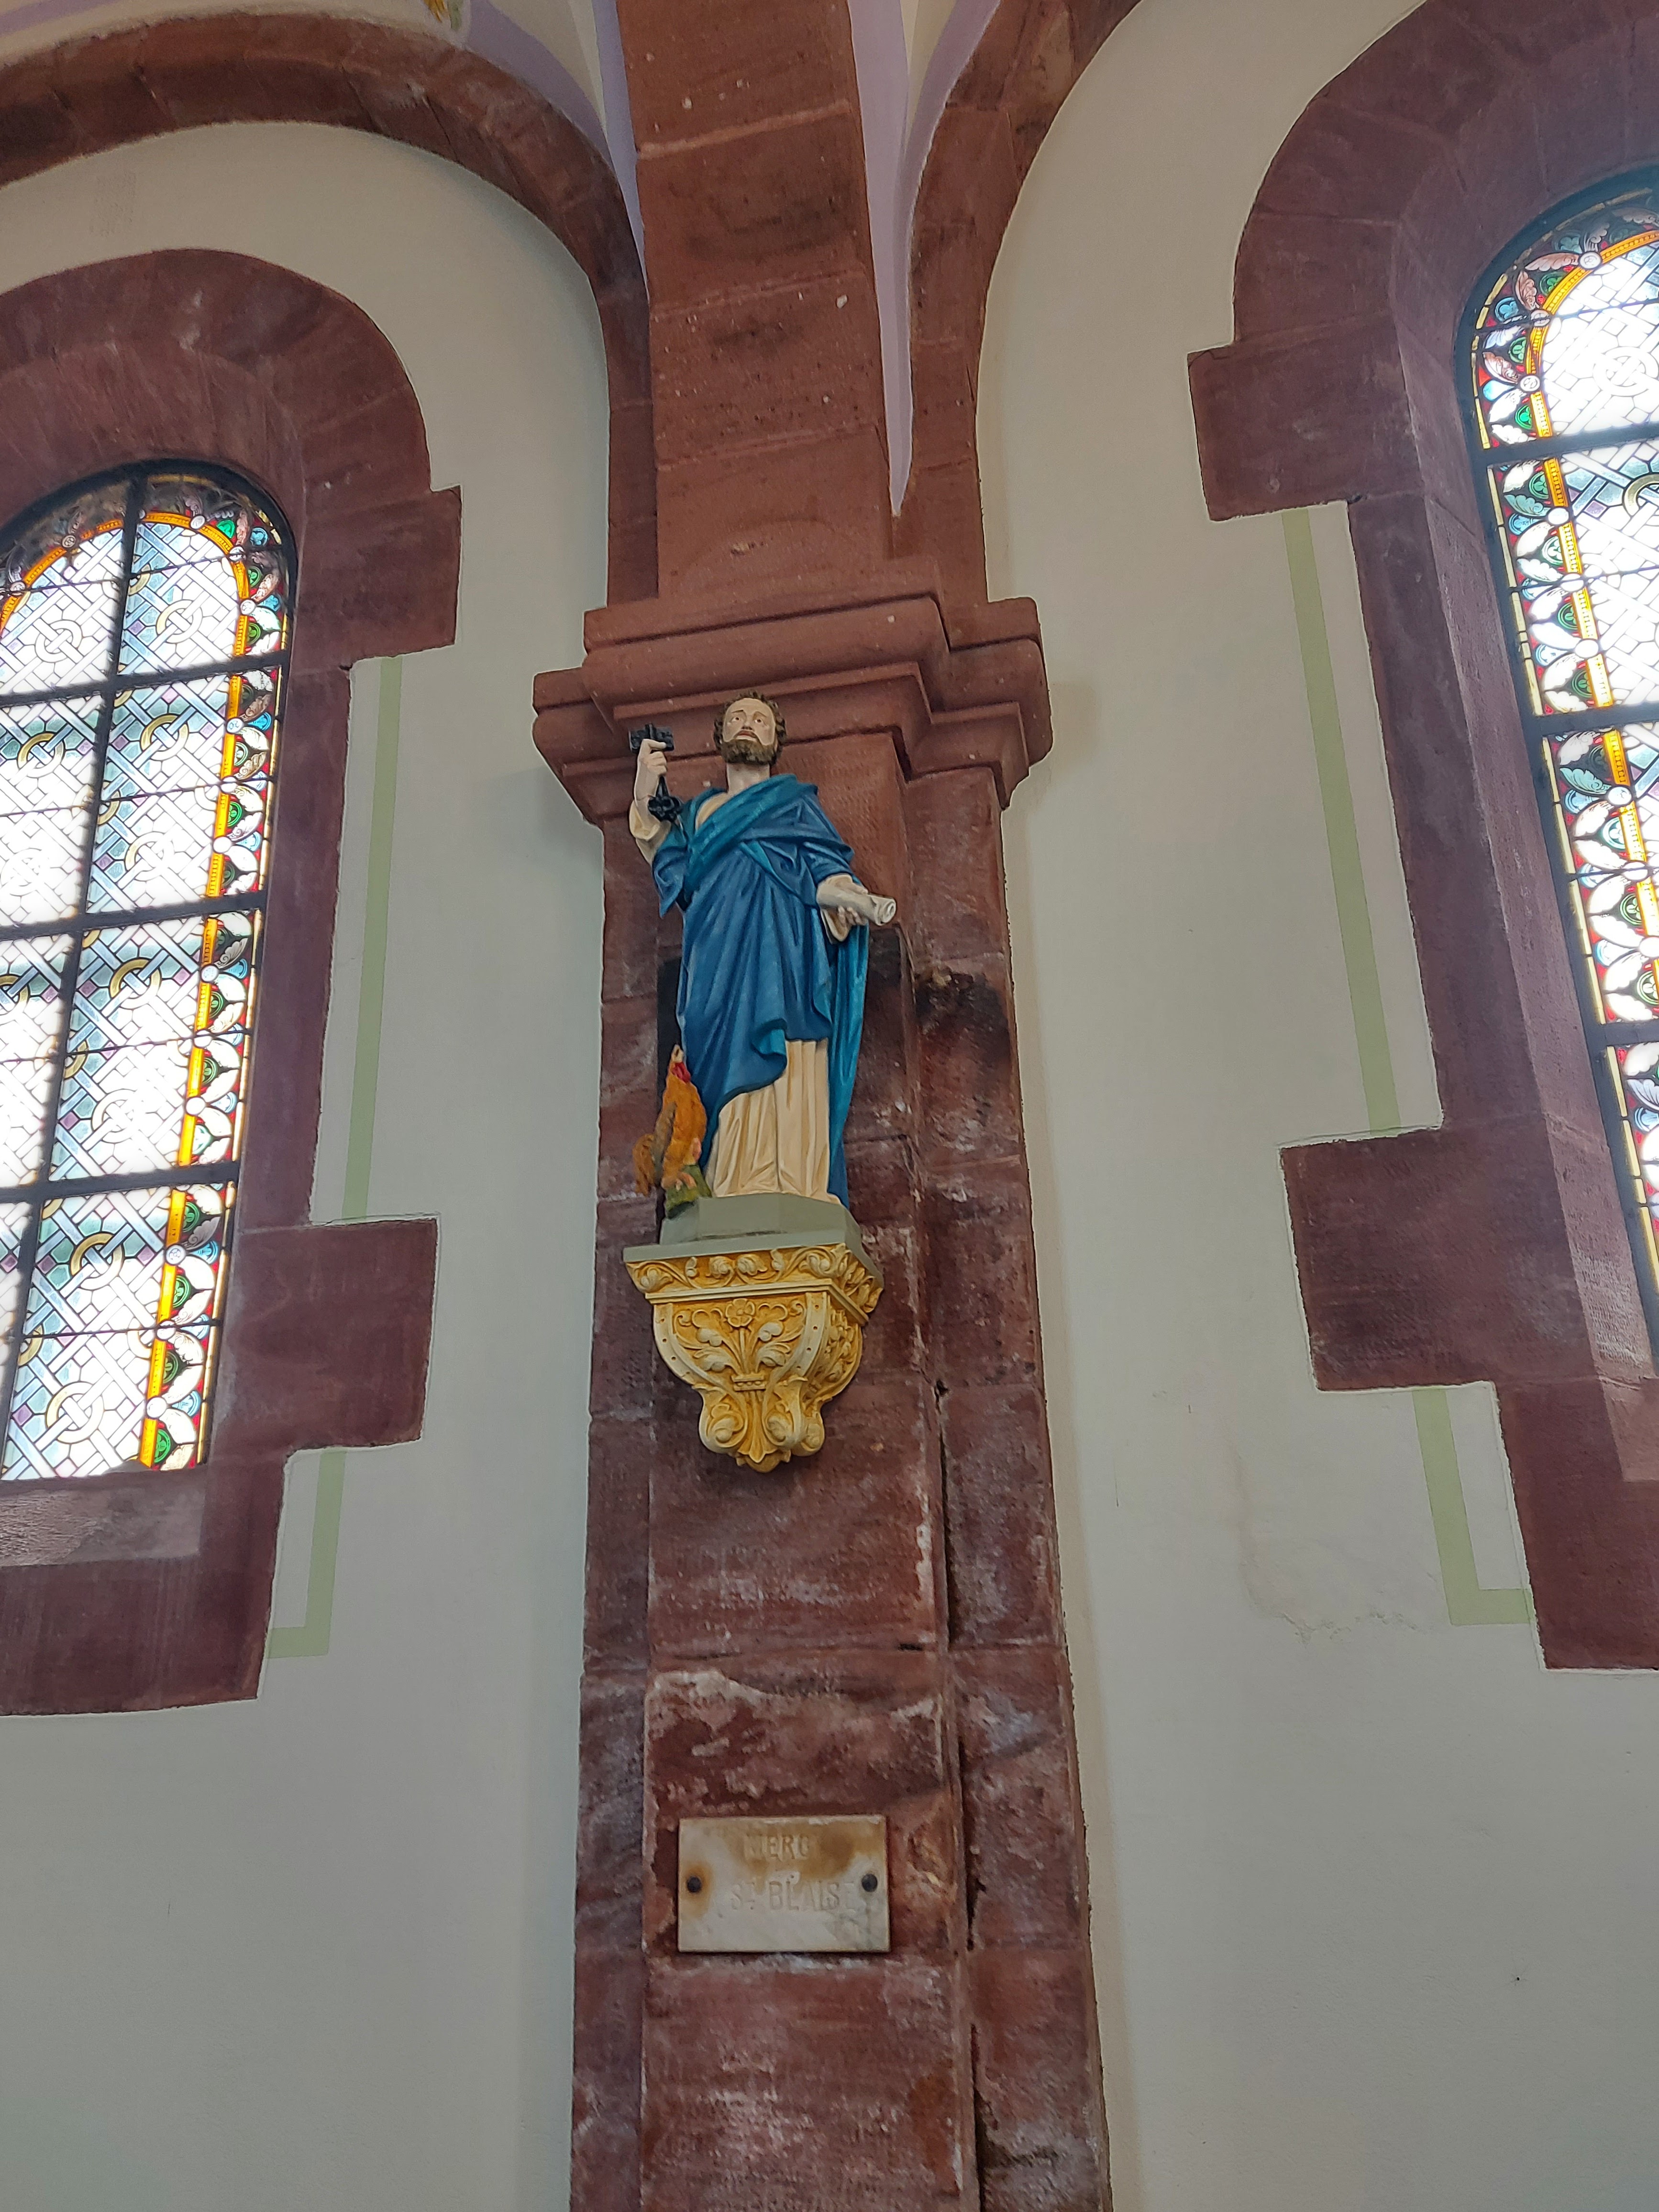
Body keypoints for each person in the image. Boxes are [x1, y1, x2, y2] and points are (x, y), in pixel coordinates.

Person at [629, 694, 896, 1205]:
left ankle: (793, 1185)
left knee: (788, 1062)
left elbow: (824, 870)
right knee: (721, 1073)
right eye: (737, 719)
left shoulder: (795, 806)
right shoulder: (698, 814)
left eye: (760, 719)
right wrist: (645, 797)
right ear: (721, 737)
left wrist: (850, 899)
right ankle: (727, 1183)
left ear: (776, 738)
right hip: (716, 967)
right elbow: (673, 869)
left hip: (787, 961)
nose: (747, 725)